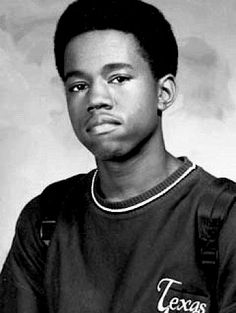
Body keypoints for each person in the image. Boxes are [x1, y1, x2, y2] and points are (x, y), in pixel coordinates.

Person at [0, 0, 236, 312]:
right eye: (78, 85)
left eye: (119, 79)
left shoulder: (224, 220)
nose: (96, 99)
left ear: (163, 93)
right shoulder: (45, 219)